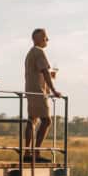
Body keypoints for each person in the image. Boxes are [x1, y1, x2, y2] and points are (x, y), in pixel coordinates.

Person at [23, 28, 61, 162]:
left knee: (31, 120)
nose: (47, 40)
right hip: (38, 91)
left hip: (30, 89)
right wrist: (54, 90)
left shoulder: (30, 53)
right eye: (45, 37)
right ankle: (36, 153)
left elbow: (40, 72)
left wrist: (50, 75)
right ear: (38, 38)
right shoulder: (39, 52)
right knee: (46, 121)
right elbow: (44, 71)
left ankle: (27, 153)